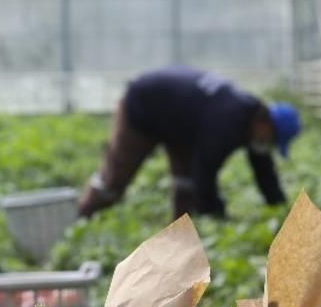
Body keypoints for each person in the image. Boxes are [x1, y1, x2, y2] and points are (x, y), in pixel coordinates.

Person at [77, 66, 301, 220]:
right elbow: (205, 170)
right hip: (144, 104)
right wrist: (216, 215)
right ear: (266, 124)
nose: (267, 145)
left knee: (185, 183)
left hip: (179, 120)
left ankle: (177, 239)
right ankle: (82, 216)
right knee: (116, 177)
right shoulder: (229, 122)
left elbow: (265, 172)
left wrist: (280, 210)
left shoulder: (252, 117)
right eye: (271, 140)